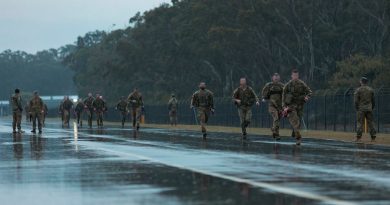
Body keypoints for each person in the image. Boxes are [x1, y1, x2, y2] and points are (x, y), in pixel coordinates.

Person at [282, 69, 312, 145]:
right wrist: (284, 107)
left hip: (300, 106)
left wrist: (307, 97)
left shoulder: (302, 84)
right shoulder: (288, 85)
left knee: (298, 123)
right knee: (295, 122)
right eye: (294, 75)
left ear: (298, 76)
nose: (295, 77)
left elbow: (309, 92)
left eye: (296, 75)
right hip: (291, 107)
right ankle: (298, 139)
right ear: (291, 76)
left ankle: (294, 131)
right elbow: (283, 96)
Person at [261, 73, 284, 140]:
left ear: (279, 78)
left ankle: (275, 133)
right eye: (275, 77)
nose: (276, 78)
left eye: (277, 77)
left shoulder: (282, 86)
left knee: (277, 121)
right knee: (276, 118)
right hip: (272, 106)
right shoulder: (269, 85)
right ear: (272, 78)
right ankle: (275, 133)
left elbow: (286, 94)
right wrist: (264, 98)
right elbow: (264, 92)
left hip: (280, 107)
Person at [354, 77, 376, 142]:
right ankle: (373, 137)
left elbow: (355, 101)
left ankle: (359, 138)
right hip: (369, 108)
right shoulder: (371, 90)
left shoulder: (358, 90)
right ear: (366, 82)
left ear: (361, 82)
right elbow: (373, 101)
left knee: (360, 123)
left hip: (361, 109)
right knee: (371, 123)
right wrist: (371, 107)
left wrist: (357, 108)